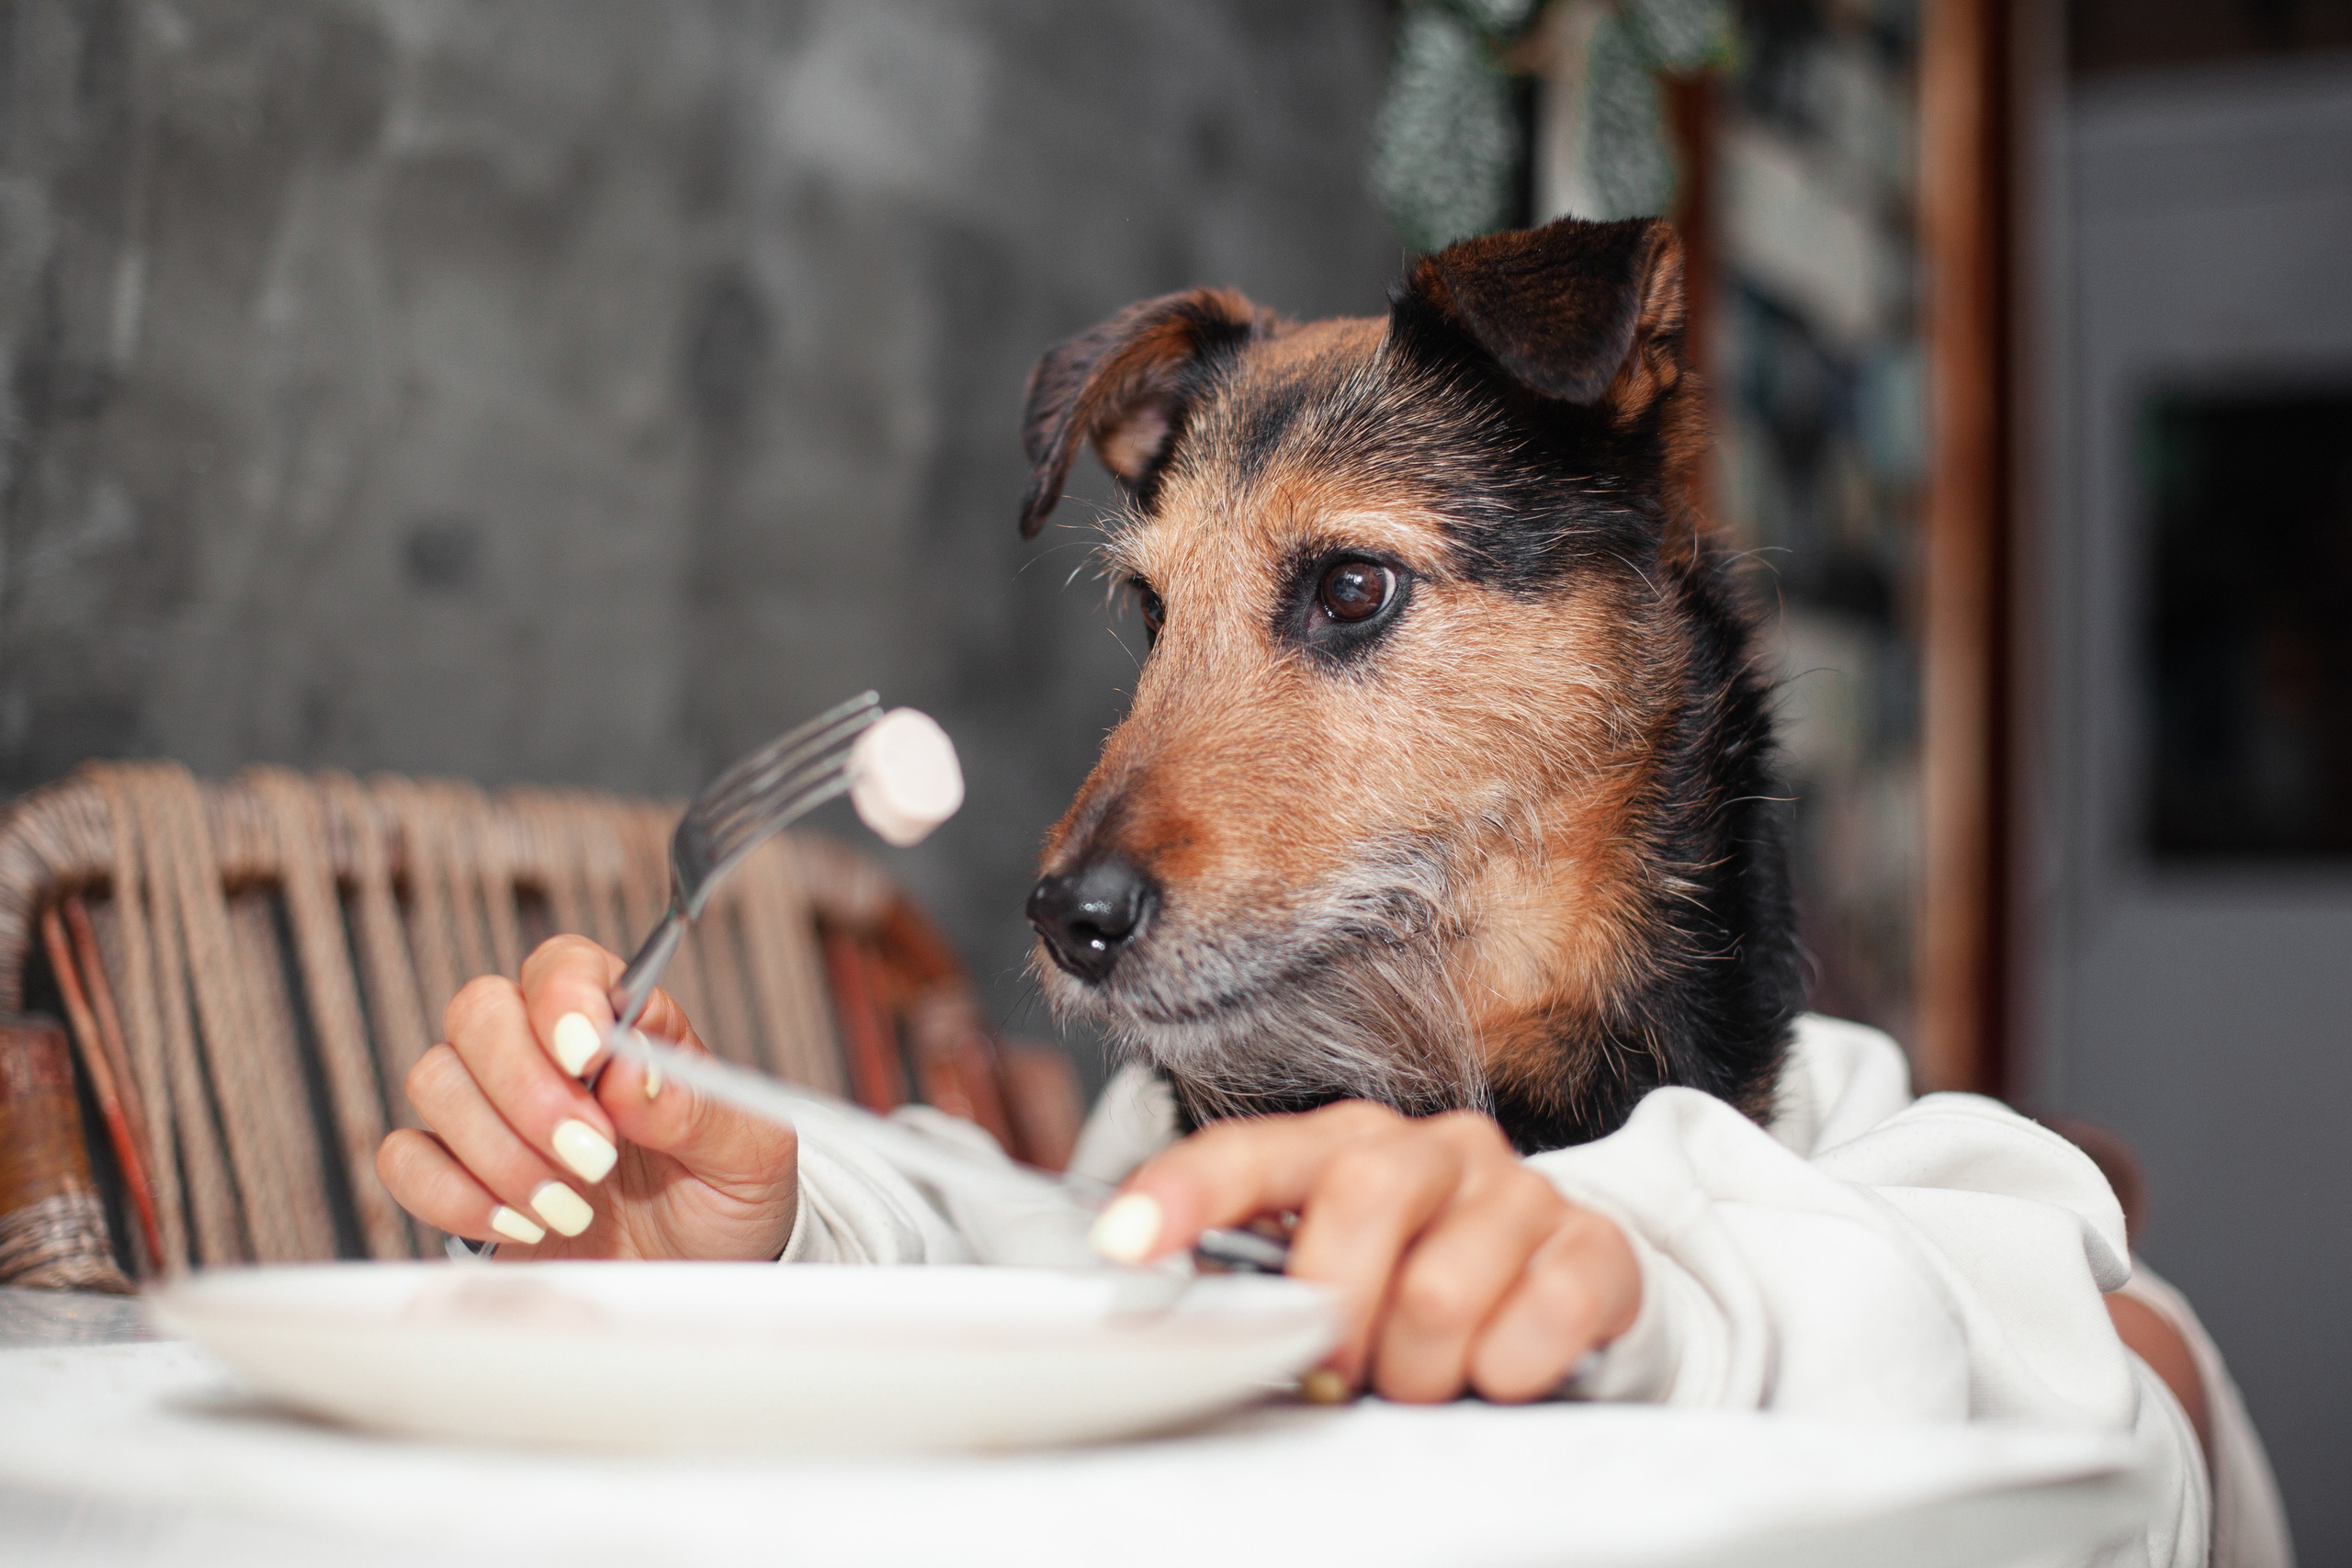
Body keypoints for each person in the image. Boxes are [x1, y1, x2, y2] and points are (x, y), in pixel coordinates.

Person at [378, 935, 2291, 1568]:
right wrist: (767, 1233)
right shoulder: (1174, 1127)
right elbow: (1017, 1257)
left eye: (1351, 608)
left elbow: (2136, 1407)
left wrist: (1649, 1298)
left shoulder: (1841, 1131)